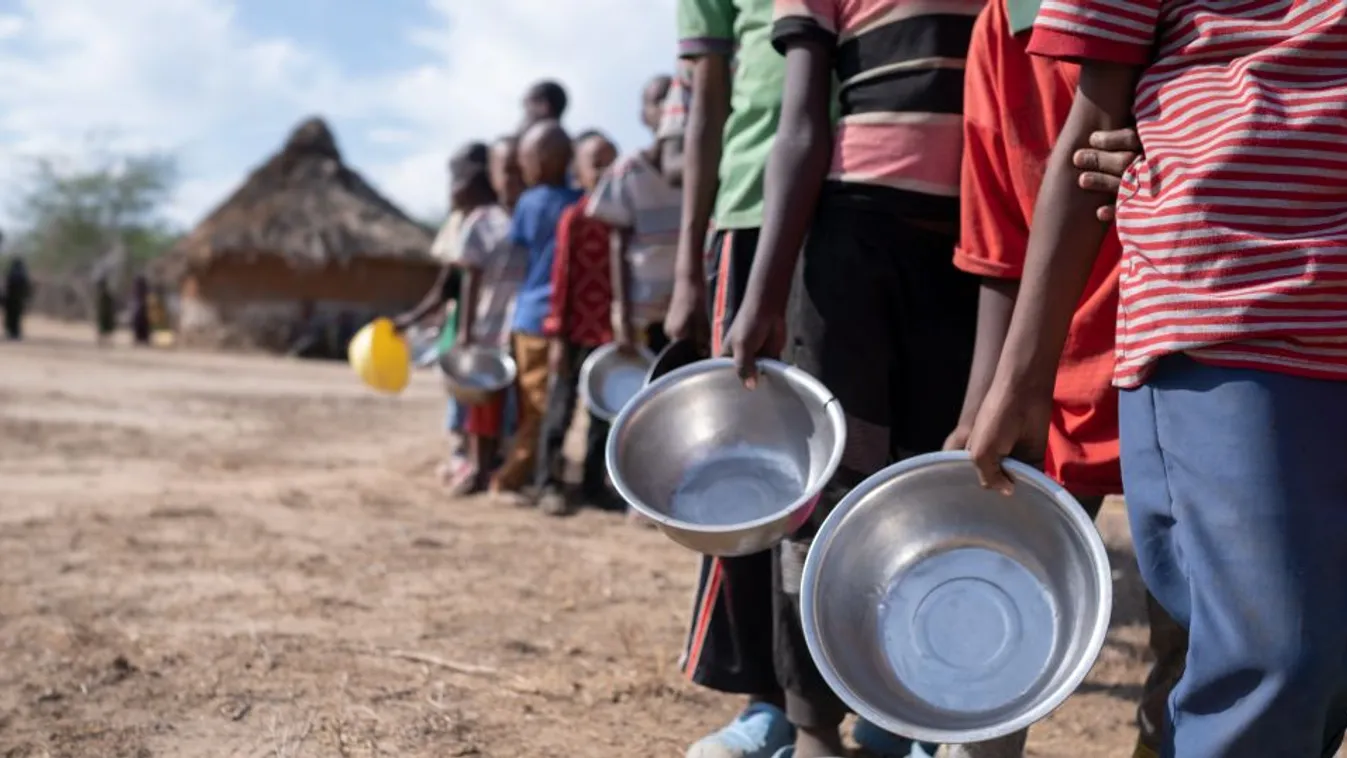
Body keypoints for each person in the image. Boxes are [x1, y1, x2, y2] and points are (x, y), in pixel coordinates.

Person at [963, 3, 1347, 756]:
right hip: (1234, 312)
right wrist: (1019, 375)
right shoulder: (999, 36)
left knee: (1325, 666)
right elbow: (1084, 137)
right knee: (1274, 663)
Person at [724, 0, 990, 755]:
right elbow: (801, 125)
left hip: (975, 252)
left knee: (937, 485)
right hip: (851, 240)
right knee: (828, 487)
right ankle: (812, 722)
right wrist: (764, 292)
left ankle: (904, 702)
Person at [941, 2, 1185, 756]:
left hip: (1190, 371)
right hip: (1046, 379)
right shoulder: (1000, 29)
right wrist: (987, 398)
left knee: (1193, 637)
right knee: (1000, 606)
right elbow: (996, 237)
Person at [664, 2, 793, 756]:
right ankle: (764, 697)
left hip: (881, 199)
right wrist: (689, 261)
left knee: (874, 456)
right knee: (748, 464)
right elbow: (706, 99)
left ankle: (882, 694)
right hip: (746, 206)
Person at [494, 120, 583, 505]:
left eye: (526, 159)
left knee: (533, 405)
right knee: (556, 403)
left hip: (532, 318)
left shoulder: (530, 203)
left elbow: (515, 260)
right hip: (571, 319)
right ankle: (540, 473)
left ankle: (512, 479)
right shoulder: (581, 201)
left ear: (545, 160)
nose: (523, 167)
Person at [534, 132, 620, 516]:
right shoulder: (574, 218)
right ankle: (548, 483)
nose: (603, 170)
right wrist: (556, 335)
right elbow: (562, 278)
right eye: (594, 162)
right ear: (578, 171)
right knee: (560, 409)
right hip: (572, 330)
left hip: (610, 333)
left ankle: (592, 486)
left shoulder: (622, 220)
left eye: (610, 161)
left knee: (602, 414)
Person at [587, 74, 678, 356]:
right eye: (657, 101)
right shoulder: (627, 171)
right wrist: (623, 316)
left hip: (687, 309)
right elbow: (618, 244)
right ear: (643, 116)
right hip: (642, 312)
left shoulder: (701, 167)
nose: (666, 107)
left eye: (672, 99)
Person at [3, 257, 32, 341]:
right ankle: (15, 332)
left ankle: (11, 332)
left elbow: (7, 287)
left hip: (11, 299)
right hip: (19, 300)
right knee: (17, 317)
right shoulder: (23, 274)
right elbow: (27, 288)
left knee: (11, 316)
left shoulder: (11, 274)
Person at [94, 275, 116, 346]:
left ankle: (105, 342)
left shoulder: (106, 295)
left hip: (106, 315)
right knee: (102, 329)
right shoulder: (102, 295)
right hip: (103, 315)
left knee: (105, 329)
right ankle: (102, 342)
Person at [130, 275, 152, 346]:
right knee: (139, 321)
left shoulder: (141, 290)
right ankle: (140, 337)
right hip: (140, 307)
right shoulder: (139, 290)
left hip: (141, 308)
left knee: (141, 321)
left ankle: (142, 337)